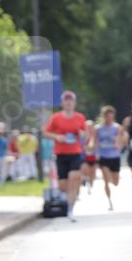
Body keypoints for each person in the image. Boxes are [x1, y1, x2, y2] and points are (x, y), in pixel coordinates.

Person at [43, 91, 87, 221]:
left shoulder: (80, 117)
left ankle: (70, 209)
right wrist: (57, 136)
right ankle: (72, 194)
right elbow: (45, 132)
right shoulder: (56, 118)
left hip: (75, 152)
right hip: (61, 153)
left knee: (73, 176)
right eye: (66, 101)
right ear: (62, 103)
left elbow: (85, 133)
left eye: (71, 101)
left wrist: (82, 133)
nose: (69, 103)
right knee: (62, 186)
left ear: (74, 103)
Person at [93, 105, 122, 211]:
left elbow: (121, 139)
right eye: (107, 116)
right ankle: (110, 202)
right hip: (103, 156)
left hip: (114, 156)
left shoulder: (117, 127)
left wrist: (117, 142)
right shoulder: (98, 128)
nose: (109, 118)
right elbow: (95, 141)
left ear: (113, 116)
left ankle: (111, 180)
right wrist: (95, 153)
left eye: (111, 116)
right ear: (103, 116)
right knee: (106, 179)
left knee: (115, 182)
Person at [81, 119, 98, 194]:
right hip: (84, 157)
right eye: (87, 126)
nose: (89, 128)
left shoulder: (96, 135)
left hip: (93, 157)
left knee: (92, 172)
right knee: (84, 169)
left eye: (90, 126)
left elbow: (96, 145)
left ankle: (90, 186)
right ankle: (84, 180)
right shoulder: (82, 135)